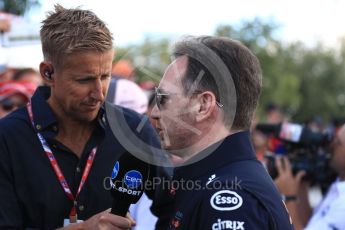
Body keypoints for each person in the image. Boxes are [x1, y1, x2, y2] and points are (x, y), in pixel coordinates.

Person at [0, 5, 162, 229]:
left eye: (105, 76)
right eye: (84, 80)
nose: (99, 93)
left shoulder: (136, 130)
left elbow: (174, 210)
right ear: (48, 72)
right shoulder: (7, 139)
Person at [150, 36, 294, 229]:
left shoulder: (231, 199)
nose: (155, 112)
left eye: (163, 98)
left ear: (203, 105)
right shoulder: (213, 180)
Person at [275, 124, 345, 230]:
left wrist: (288, 197)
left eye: (338, 142)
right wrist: (303, 185)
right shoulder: (338, 187)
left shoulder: (342, 205)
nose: (331, 146)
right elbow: (310, 225)